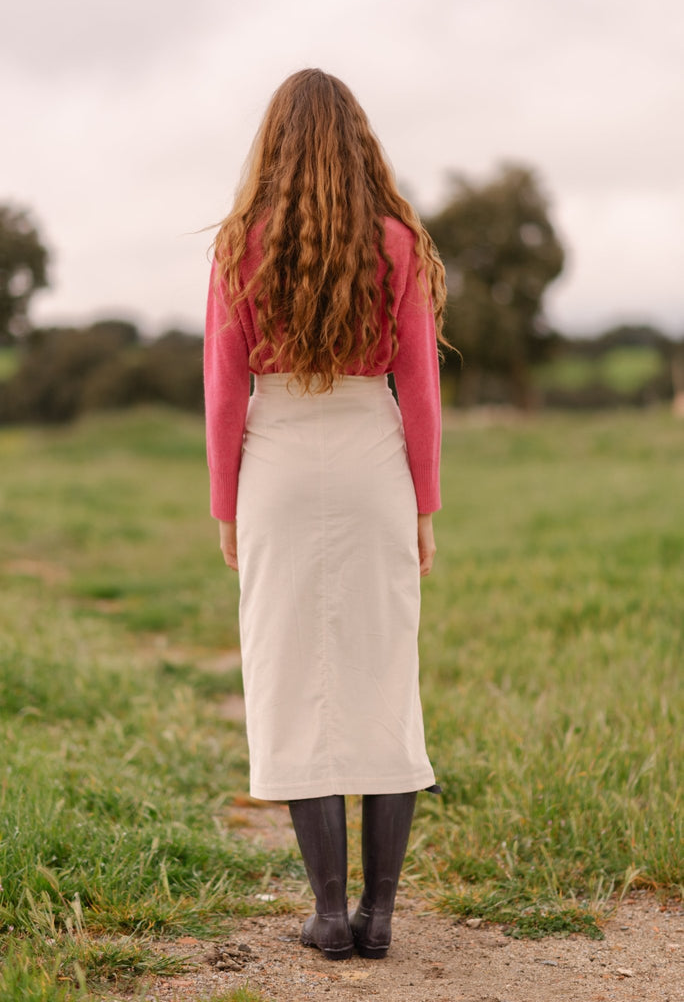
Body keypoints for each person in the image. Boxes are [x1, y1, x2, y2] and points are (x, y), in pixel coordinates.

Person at [203, 69, 449, 962]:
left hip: (273, 455)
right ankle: (380, 917)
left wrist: (225, 503)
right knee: (385, 674)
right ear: (358, 140)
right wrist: (423, 506)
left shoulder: (241, 243)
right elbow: (417, 388)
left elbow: (225, 390)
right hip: (370, 453)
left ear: (274, 141)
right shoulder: (397, 242)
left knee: (291, 670)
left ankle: (327, 914)